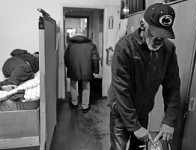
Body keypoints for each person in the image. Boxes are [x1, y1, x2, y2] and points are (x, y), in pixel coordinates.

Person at [108, 3, 181, 150]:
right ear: (142, 25)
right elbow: (122, 90)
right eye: (154, 33)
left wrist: (169, 121)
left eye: (164, 35)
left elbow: (172, 87)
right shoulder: (125, 47)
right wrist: (134, 126)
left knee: (140, 148)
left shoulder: (168, 50)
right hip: (122, 111)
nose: (159, 40)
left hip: (143, 111)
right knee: (118, 147)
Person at [64, 27, 100, 113]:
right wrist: (95, 71)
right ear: (85, 36)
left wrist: (68, 66)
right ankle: (85, 106)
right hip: (87, 70)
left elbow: (66, 57)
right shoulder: (91, 45)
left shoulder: (70, 45)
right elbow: (95, 59)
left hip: (73, 68)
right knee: (86, 86)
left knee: (73, 85)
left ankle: (74, 103)